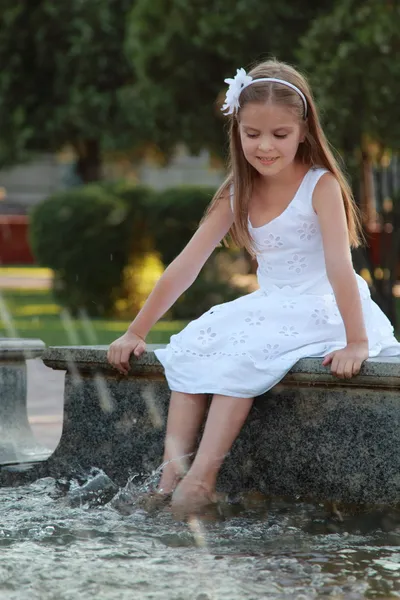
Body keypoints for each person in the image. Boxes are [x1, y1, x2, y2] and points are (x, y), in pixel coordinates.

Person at [107, 58, 400, 516]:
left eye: (279, 135)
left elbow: (342, 269)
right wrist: (136, 331)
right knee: (193, 343)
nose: (264, 147)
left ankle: (202, 481)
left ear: (304, 130)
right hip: (272, 304)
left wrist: (356, 340)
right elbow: (187, 264)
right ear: (237, 131)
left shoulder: (319, 186)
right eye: (252, 134)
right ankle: (171, 478)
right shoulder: (236, 190)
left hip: (322, 306)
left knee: (241, 355)